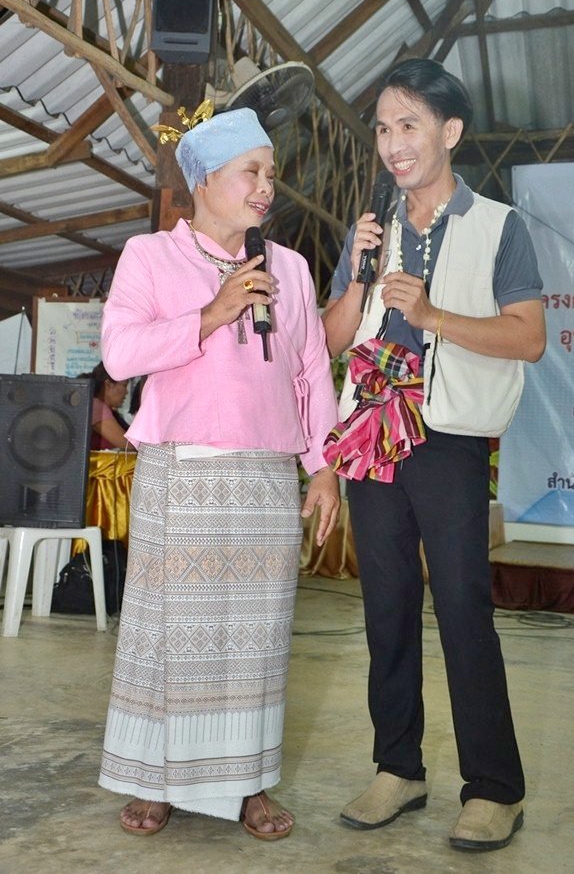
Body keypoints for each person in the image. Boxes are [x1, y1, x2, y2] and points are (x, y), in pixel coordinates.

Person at [97, 104, 340, 840]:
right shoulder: (149, 256)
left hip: (266, 478)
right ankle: (157, 781)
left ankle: (248, 784)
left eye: (271, 173)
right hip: (183, 474)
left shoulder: (289, 268)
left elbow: (310, 370)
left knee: (257, 642)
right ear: (203, 181)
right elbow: (120, 355)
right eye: (251, 172)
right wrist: (212, 312)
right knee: (170, 636)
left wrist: (323, 467)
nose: (267, 187)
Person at [323, 58, 545, 852]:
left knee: (461, 607)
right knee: (385, 607)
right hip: (371, 430)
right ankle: (398, 768)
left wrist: (434, 315)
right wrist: (357, 275)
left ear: (449, 132)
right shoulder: (372, 229)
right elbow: (331, 340)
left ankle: (494, 788)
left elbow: (528, 337)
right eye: (383, 128)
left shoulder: (499, 227)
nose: (392, 143)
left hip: (446, 436)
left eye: (409, 125)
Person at [83, 361, 131, 450]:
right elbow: (127, 445)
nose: (126, 392)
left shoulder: (98, 406)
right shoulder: (97, 407)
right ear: (108, 385)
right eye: (124, 385)